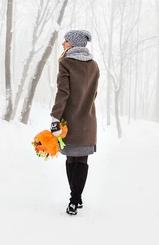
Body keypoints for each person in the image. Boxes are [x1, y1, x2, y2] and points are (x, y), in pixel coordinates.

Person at [50, 29, 100, 215]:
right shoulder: (94, 65)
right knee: (82, 161)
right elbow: (94, 94)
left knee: (71, 159)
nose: (63, 44)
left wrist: (55, 117)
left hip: (69, 120)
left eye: (66, 41)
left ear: (73, 44)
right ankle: (76, 199)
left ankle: (74, 199)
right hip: (88, 119)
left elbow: (63, 93)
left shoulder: (66, 63)